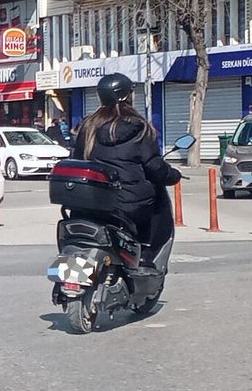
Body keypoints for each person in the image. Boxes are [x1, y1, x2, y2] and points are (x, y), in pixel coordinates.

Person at [73, 73, 181, 264]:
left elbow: (76, 159)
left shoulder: (87, 126)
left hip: (90, 202)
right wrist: (172, 175)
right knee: (158, 209)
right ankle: (147, 258)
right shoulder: (139, 127)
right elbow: (154, 166)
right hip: (128, 206)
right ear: (127, 96)